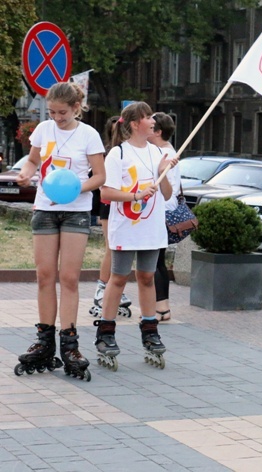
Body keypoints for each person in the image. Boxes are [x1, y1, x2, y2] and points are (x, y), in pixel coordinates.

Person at [15, 82, 106, 381]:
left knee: (68, 278)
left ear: (77, 107)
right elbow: (33, 160)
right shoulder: (43, 129)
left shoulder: (88, 135)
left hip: (75, 211)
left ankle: (69, 343)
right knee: (44, 276)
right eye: (52, 112)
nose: (57, 117)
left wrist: (72, 189)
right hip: (44, 210)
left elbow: (100, 177)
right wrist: (27, 174)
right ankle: (44, 341)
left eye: (62, 112)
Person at [95, 102, 178, 371]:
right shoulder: (118, 154)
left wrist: (163, 171)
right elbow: (106, 194)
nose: (153, 120)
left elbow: (166, 194)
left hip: (151, 228)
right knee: (118, 278)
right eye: (147, 117)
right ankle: (106, 333)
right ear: (134, 124)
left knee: (146, 276)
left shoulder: (156, 153)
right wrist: (135, 196)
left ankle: (150, 329)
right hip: (126, 227)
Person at [89, 116, 132, 318]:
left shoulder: (131, 152)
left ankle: (116, 288)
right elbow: (99, 184)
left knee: (122, 248)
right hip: (110, 205)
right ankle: (102, 288)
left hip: (128, 206)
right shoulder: (110, 154)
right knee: (111, 248)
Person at [149, 113, 179, 322]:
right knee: (157, 259)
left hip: (161, 211)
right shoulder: (167, 151)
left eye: (151, 126)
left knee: (156, 260)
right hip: (163, 210)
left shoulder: (164, 154)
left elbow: (167, 188)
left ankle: (162, 307)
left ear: (158, 132)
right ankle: (161, 306)